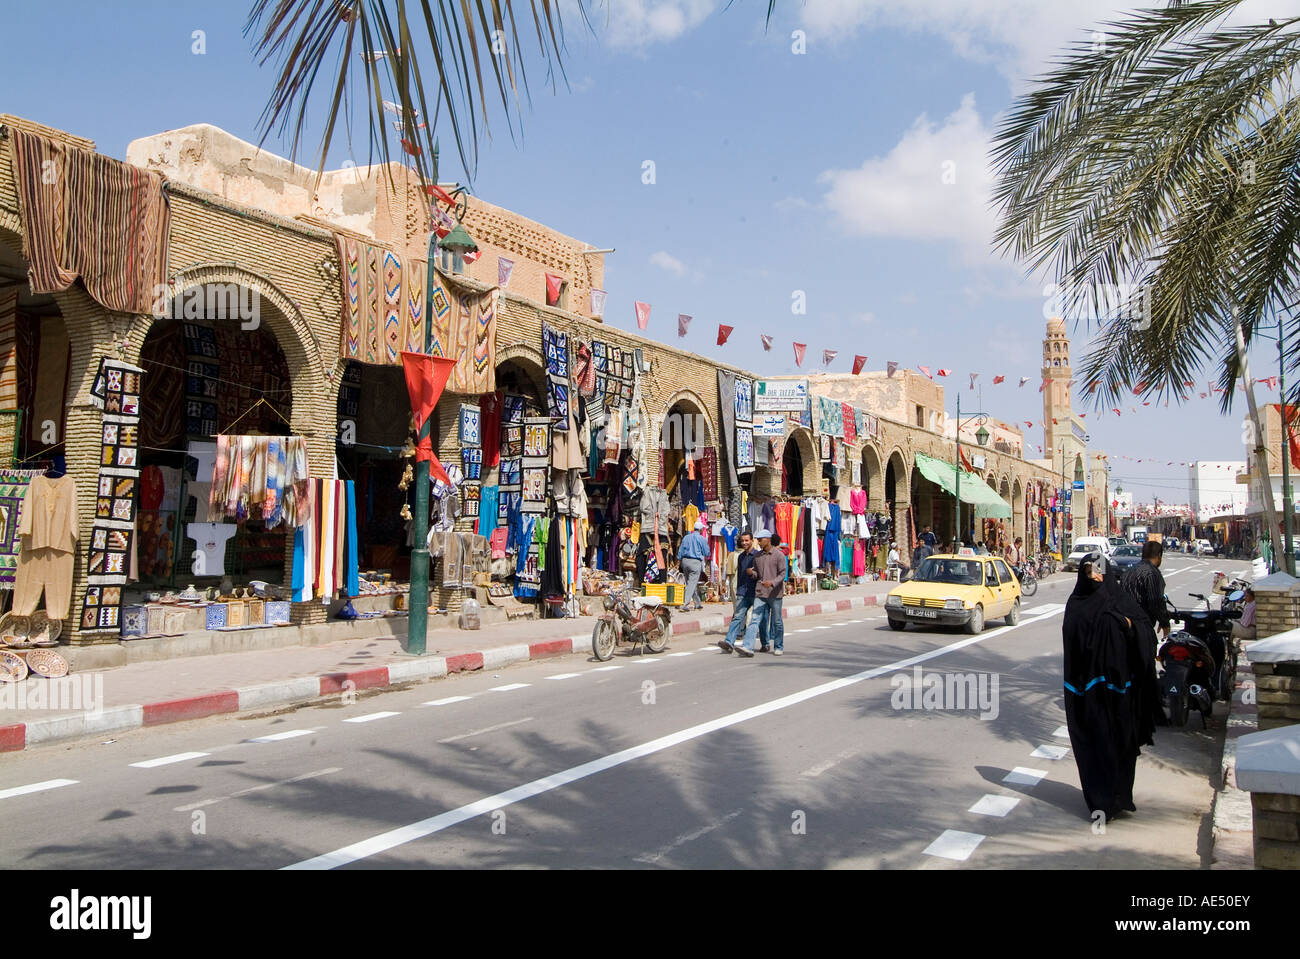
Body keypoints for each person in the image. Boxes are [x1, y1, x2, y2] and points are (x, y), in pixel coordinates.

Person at [1063, 554, 1142, 820]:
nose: (1094, 577)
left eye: (1099, 571)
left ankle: (1120, 797)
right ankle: (1100, 802)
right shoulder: (1076, 603)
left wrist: (1127, 625)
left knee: (1121, 743)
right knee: (1095, 744)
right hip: (1087, 691)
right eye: (1089, 572)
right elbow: (1071, 642)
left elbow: (1143, 631)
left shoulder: (1119, 600)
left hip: (1120, 689)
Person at [734, 529, 788, 657]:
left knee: (777, 621)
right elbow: (757, 574)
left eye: (760, 539)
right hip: (760, 593)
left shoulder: (779, 555)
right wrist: (752, 573)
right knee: (754, 619)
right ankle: (748, 647)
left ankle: (779, 646)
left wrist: (772, 583)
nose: (758, 542)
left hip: (775, 594)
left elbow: (782, 574)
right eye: (757, 539)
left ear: (768, 540)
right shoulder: (757, 556)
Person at [718, 532, 765, 652]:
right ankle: (729, 642)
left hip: (756, 592)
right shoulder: (741, 557)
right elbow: (740, 575)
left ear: (752, 541)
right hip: (743, 592)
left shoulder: (758, 556)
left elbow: (762, 574)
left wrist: (753, 574)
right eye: (743, 541)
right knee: (737, 617)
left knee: (757, 620)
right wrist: (738, 590)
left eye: (747, 540)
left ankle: (764, 643)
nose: (744, 543)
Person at [677, 519, 709, 612]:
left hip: (685, 561)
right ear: (701, 529)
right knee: (691, 583)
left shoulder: (686, 537)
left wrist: (679, 561)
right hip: (695, 562)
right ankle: (684, 604)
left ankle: (697, 603)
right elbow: (707, 552)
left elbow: (680, 551)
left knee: (690, 583)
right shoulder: (702, 539)